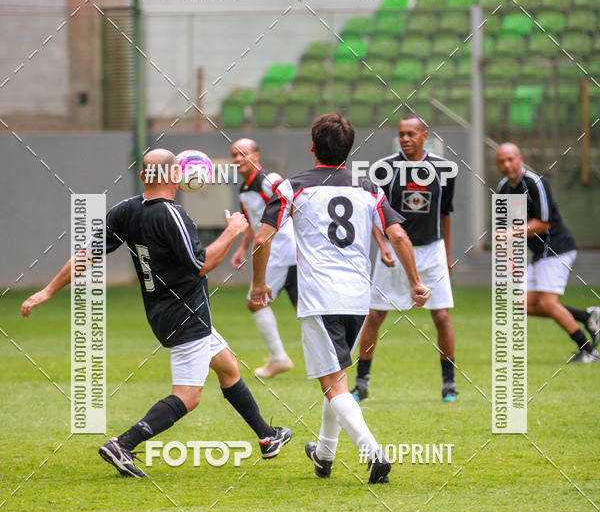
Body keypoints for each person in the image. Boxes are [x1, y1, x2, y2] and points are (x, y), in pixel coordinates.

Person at [21, 148, 292, 478]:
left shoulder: (126, 211)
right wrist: (233, 230)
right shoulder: (171, 214)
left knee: (228, 365)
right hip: (185, 313)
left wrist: (48, 290)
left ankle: (266, 437)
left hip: (163, 312)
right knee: (188, 397)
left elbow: (87, 252)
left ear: (142, 178)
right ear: (176, 177)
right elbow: (202, 264)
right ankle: (124, 443)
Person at [251, 114, 430, 484]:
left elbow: (261, 239)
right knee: (337, 378)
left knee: (332, 383)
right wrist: (414, 282)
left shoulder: (292, 188)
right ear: (349, 150)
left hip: (320, 298)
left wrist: (257, 285)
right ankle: (324, 455)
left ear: (312, 146)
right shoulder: (368, 189)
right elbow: (399, 236)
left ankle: (373, 451)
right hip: (357, 298)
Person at [352, 114, 458, 403]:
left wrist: (446, 254)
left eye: (412, 134)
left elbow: (445, 214)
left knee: (442, 316)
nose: (406, 139)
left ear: (425, 136)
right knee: (374, 315)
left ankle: (449, 384)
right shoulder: (384, 170)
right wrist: (382, 245)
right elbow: (372, 213)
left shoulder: (443, 169)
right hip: (394, 251)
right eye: (402, 134)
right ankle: (361, 383)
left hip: (431, 251)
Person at [496, 142, 599, 363]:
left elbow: (543, 223)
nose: (507, 165)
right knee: (520, 302)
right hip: (539, 253)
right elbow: (504, 230)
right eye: (502, 161)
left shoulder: (535, 183)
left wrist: (512, 233)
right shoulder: (504, 188)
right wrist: (511, 258)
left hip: (557, 248)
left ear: (520, 159)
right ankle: (587, 316)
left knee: (548, 303)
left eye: (510, 159)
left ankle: (588, 350)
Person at [229, 137, 296, 378]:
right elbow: (253, 225)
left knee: (255, 301)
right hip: (282, 251)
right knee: (305, 305)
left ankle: (279, 358)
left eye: (243, 153)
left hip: (280, 249)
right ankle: (335, 356)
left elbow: (291, 197)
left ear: (256, 155)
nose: (238, 159)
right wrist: (240, 249)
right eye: (234, 155)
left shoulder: (268, 180)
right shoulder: (244, 190)